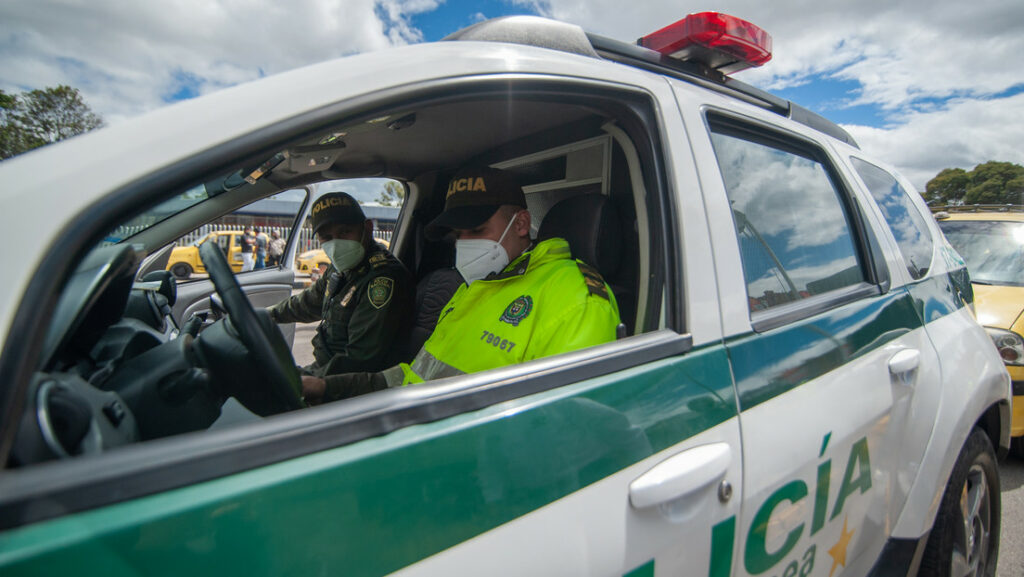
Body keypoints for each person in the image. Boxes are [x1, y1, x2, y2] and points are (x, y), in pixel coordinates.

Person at [300, 166, 620, 404]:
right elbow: (417, 377)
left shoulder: (575, 298)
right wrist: (330, 387)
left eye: (477, 230)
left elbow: (562, 420)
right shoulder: (473, 288)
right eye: (458, 235)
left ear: (521, 223)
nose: (464, 244)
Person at [267, 192, 414, 377]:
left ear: (367, 229)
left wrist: (307, 381)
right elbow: (308, 303)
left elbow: (359, 360)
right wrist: (267, 315)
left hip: (346, 382)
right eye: (327, 237)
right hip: (326, 369)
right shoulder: (340, 268)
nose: (336, 244)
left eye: (345, 232)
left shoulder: (382, 279)